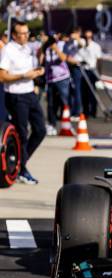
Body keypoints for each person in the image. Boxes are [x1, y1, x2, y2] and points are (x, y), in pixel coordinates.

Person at [0, 20, 45, 184]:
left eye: (27, 33)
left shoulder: (28, 48)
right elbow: (2, 76)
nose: (25, 36)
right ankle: (22, 169)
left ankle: (20, 164)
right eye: (22, 33)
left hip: (29, 93)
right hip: (16, 96)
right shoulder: (8, 50)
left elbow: (30, 70)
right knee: (22, 135)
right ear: (14, 35)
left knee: (41, 130)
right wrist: (23, 76)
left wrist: (37, 73)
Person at [42, 31, 71, 135]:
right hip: (50, 79)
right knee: (50, 103)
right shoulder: (46, 48)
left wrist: (56, 49)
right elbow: (43, 62)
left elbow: (64, 58)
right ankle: (52, 124)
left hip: (62, 77)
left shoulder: (61, 45)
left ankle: (67, 123)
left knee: (64, 101)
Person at [79, 30, 102, 118]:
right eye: (86, 37)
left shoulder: (96, 46)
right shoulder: (81, 46)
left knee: (92, 92)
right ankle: (86, 111)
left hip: (92, 71)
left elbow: (99, 60)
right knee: (84, 93)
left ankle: (93, 111)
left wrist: (99, 74)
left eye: (89, 37)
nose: (87, 39)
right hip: (83, 71)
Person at [64, 26, 83, 119]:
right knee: (70, 89)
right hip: (68, 66)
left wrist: (77, 38)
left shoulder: (80, 41)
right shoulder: (69, 42)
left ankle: (77, 111)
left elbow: (81, 45)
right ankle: (71, 110)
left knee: (77, 90)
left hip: (76, 67)